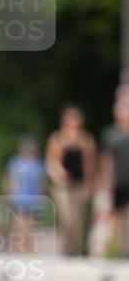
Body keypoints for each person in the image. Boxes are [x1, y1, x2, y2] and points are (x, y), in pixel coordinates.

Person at [45, 105, 97, 256]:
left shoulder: (86, 140)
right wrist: (59, 173)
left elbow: (90, 165)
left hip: (79, 184)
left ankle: (76, 250)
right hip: (61, 185)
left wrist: (89, 184)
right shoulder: (57, 139)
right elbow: (51, 162)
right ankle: (65, 248)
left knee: (78, 220)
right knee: (66, 217)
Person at [2, 135, 46, 254]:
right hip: (19, 197)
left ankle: (29, 248)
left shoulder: (37, 164)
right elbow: (9, 179)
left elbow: (41, 182)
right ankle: (18, 247)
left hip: (32, 198)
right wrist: (8, 193)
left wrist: (41, 195)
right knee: (19, 223)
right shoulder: (15, 162)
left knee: (31, 224)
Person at [98, 96, 129, 256]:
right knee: (116, 215)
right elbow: (106, 159)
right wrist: (107, 178)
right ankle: (116, 249)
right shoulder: (111, 134)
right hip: (118, 180)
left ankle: (126, 248)